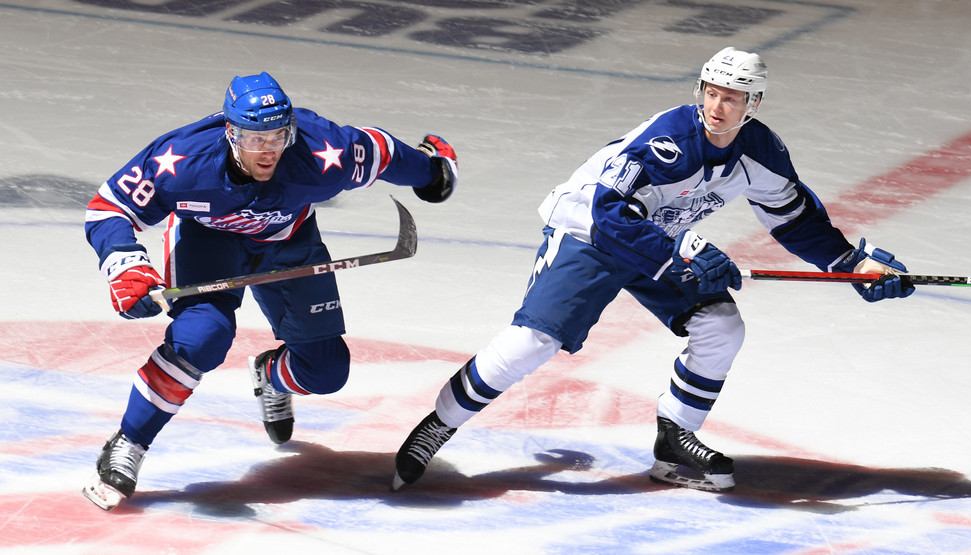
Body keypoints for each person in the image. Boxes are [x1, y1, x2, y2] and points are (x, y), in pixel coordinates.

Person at [391, 47, 914, 493]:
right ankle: (439, 424)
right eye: (711, 92)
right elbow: (609, 213)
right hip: (591, 235)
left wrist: (853, 264)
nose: (717, 107)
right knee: (534, 342)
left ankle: (674, 441)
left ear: (753, 103)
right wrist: (680, 250)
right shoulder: (670, 141)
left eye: (731, 98)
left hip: (658, 242)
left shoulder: (761, 151)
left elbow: (795, 218)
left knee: (721, 326)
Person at [81, 72, 458, 510]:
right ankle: (129, 442)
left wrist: (431, 171)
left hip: (289, 243)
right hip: (208, 241)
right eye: (254, 139)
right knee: (201, 338)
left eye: (278, 136)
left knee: (326, 373)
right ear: (231, 133)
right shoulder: (182, 160)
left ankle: (270, 374)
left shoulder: (324, 152)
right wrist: (124, 263)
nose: (268, 150)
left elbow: (380, 151)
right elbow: (109, 208)